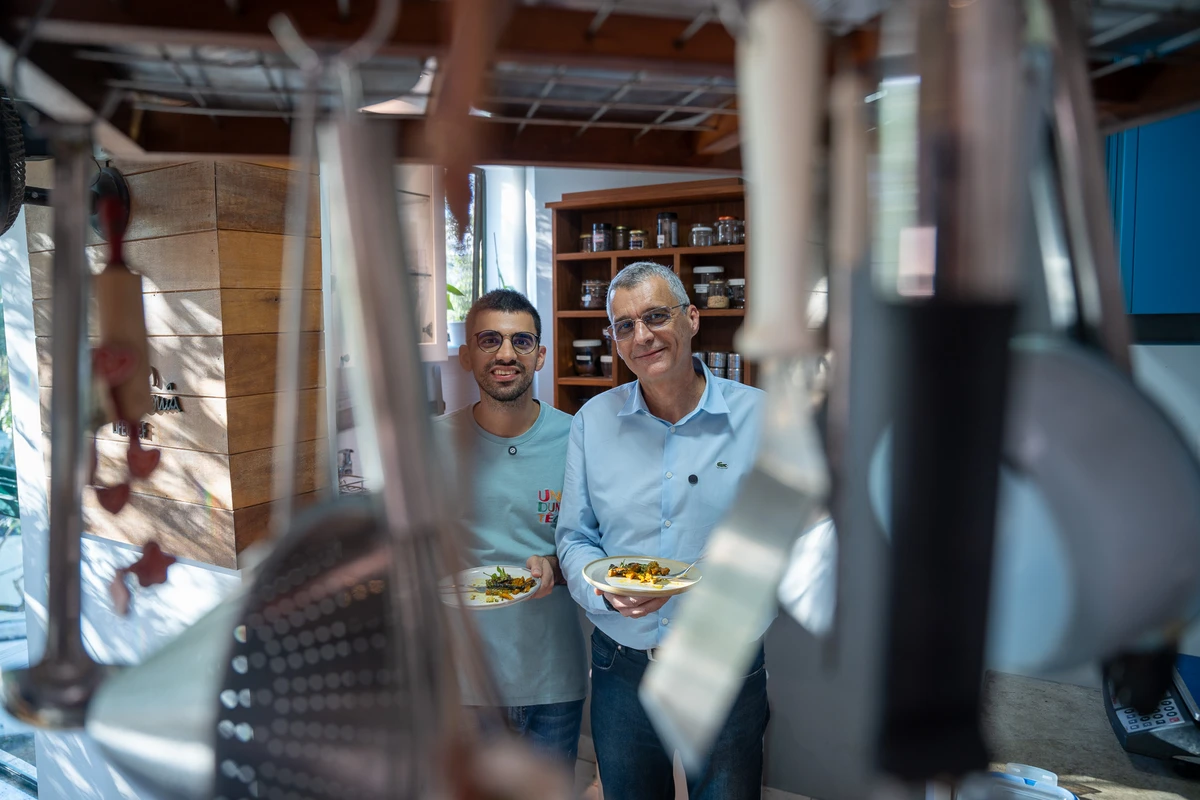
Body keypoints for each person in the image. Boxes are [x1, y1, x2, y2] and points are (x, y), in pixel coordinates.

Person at [556, 262, 769, 799]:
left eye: (655, 316)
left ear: (692, 318)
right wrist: (604, 590)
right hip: (621, 667)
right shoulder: (591, 423)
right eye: (624, 325)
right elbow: (575, 537)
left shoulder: (760, 419)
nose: (642, 336)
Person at [433, 289, 587, 765]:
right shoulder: (433, 443)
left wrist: (556, 568)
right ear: (466, 355)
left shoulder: (577, 438)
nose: (505, 354)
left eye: (521, 341)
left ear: (540, 355)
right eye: (489, 340)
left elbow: (599, 543)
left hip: (552, 678)